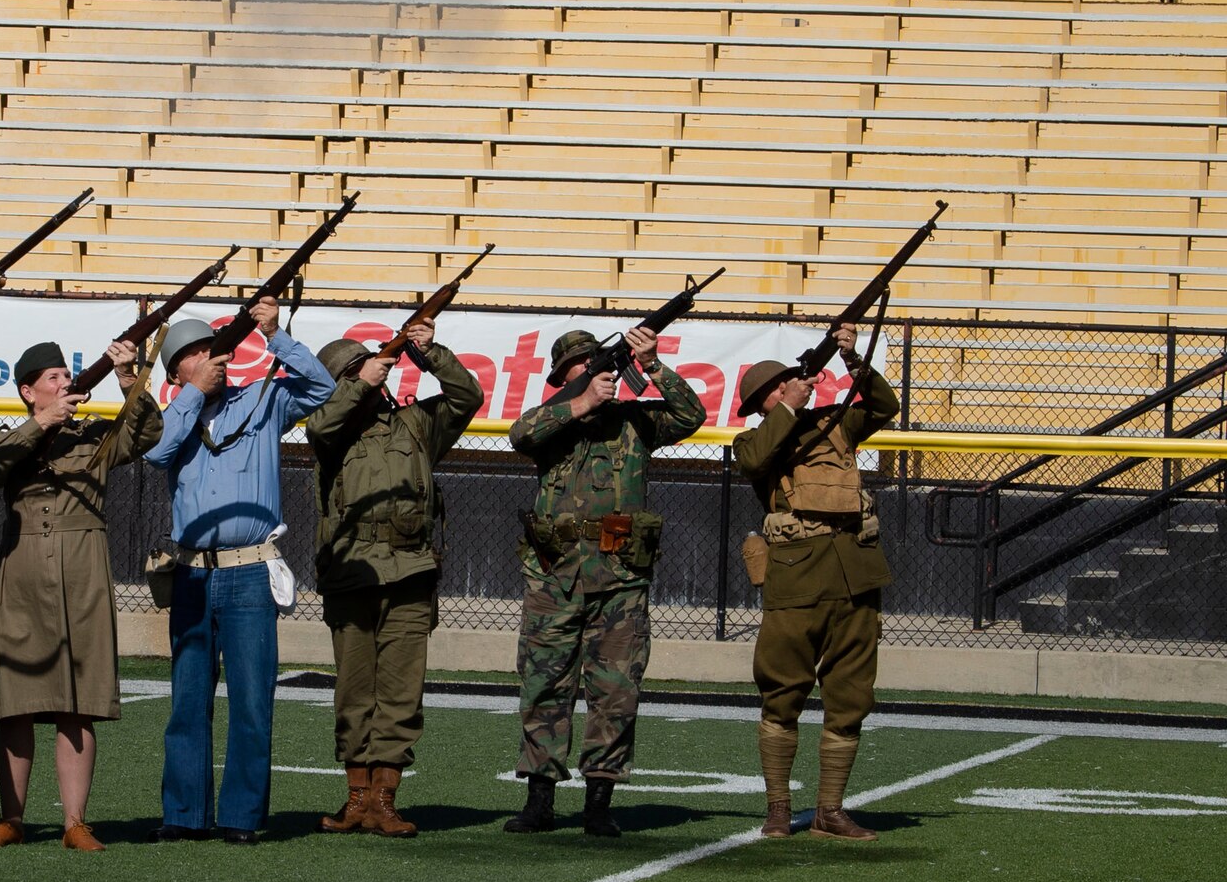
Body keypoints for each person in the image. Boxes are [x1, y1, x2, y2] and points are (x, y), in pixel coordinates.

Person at [144, 298, 336, 844]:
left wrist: (277, 336)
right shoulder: (174, 417)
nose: (210, 358)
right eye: (195, 354)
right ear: (177, 369)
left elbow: (322, 390)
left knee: (252, 700)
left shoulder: (262, 400)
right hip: (191, 574)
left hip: (251, 571)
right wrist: (191, 396)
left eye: (213, 348)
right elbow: (156, 452)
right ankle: (183, 815)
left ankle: (241, 816)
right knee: (187, 702)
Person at [503, 327, 704, 838]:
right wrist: (579, 403)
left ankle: (599, 799)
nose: (597, 374)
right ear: (565, 376)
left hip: (619, 580)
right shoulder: (552, 420)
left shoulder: (634, 422)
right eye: (582, 367)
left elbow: (691, 416)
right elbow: (521, 435)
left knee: (615, 693)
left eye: (599, 365)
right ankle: (539, 798)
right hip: (554, 578)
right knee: (545, 687)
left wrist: (653, 365)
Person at [0, 338, 164, 852]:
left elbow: (146, 434)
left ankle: (75, 821)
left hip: (82, 572)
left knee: (77, 702)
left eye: (65, 375)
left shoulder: (95, 436)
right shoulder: (12, 437)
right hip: (22, 570)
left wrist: (129, 380)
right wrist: (43, 422)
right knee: (15, 702)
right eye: (51, 379)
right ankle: (11, 817)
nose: (62, 385)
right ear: (28, 391)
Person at [304, 318, 482, 838]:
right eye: (355, 372)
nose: (370, 376)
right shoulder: (329, 423)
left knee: (402, 694)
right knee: (354, 692)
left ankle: (385, 799)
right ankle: (355, 797)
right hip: (351, 571)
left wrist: (430, 353)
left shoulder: (414, 424)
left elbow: (466, 396)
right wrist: (363, 380)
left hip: (409, 570)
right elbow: (320, 426)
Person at [733, 322, 900, 842]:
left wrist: (854, 361)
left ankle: (831, 810)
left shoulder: (836, 425)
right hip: (796, 578)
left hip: (856, 573)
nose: (796, 387)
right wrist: (788, 409)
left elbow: (882, 408)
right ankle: (779, 808)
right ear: (770, 397)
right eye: (784, 385)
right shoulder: (755, 439)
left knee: (850, 696)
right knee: (782, 693)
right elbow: (759, 459)